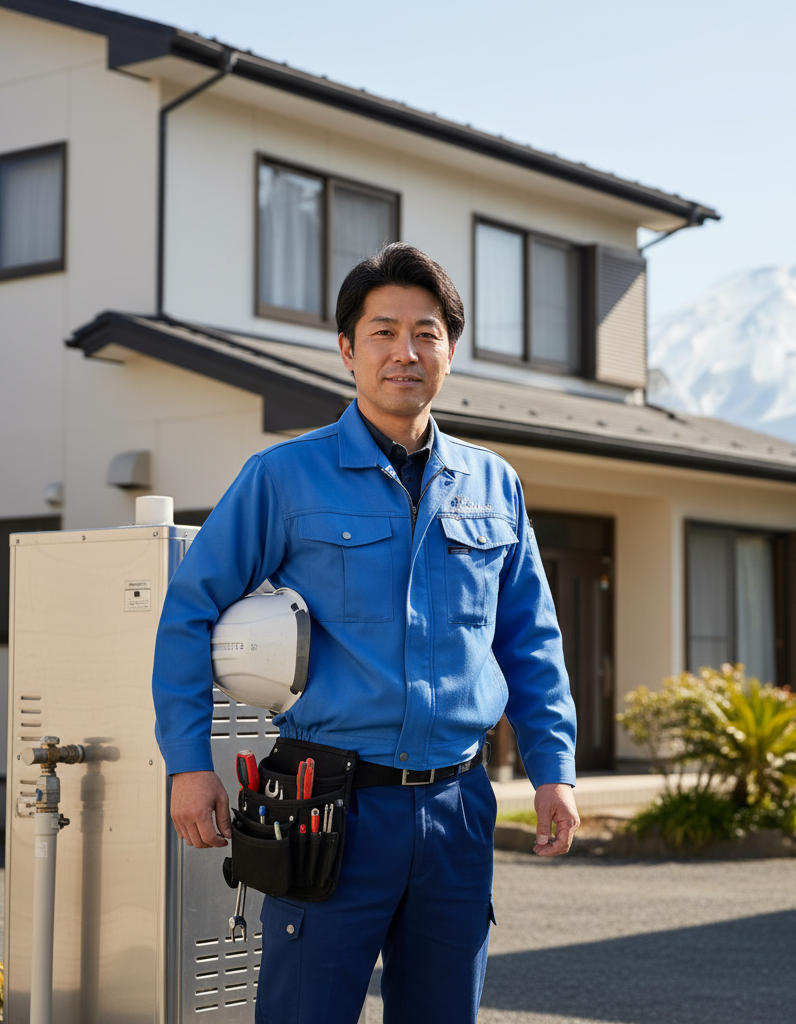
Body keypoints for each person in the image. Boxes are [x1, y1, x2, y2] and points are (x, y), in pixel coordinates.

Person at [152, 243, 579, 1024]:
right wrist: (188, 763)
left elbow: (531, 642)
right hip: (325, 801)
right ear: (348, 350)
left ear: (450, 351)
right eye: (383, 332)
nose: (405, 352)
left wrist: (555, 768)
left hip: (457, 804)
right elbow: (187, 615)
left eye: (426, 332)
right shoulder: (282, 478)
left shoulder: (494, 483)